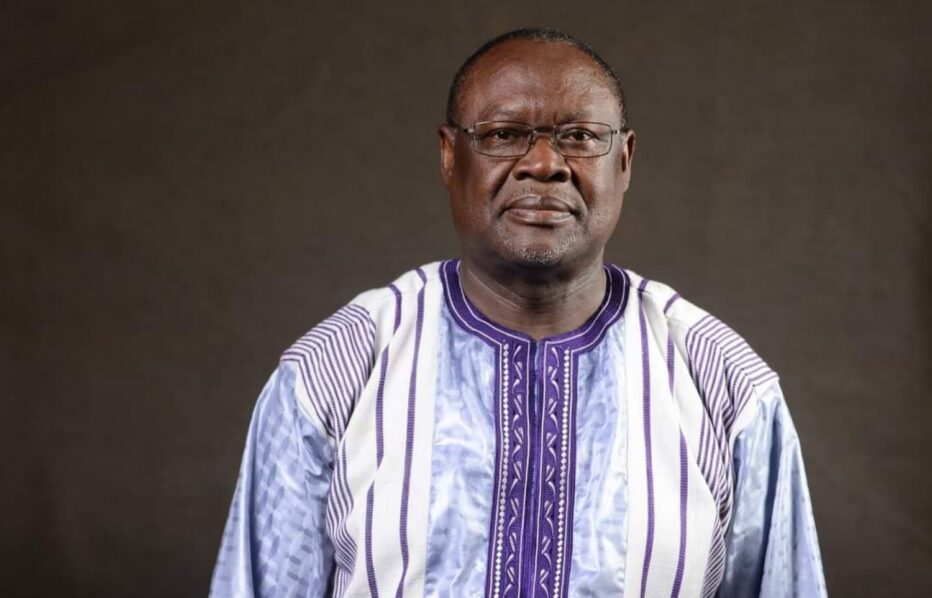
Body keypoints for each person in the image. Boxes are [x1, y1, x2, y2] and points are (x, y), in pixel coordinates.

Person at [210, 28, 827, 597]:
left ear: (624, 160)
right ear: (449, 155)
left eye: (580, 136)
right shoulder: (336, 370)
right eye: (504, 134)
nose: (544, 164)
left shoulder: (722, 380)